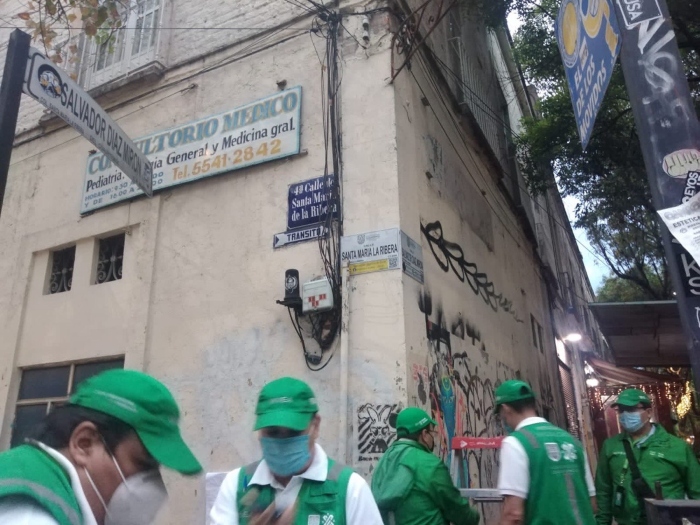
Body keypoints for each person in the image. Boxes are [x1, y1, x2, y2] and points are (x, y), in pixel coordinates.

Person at [0, 369, 202, 525]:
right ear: (84, 443)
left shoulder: (40, 484)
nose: (154, 484)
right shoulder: (29, 516)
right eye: (142, 464)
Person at [209, 376, 383, 525]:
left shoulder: (350, 489)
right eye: (273, 432)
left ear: (315, 426)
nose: (282, 442)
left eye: (293, 432)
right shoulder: (237, 485)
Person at [495, 379, 596, 525]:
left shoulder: (515, 443)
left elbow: (513, 514)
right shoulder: (573, 442)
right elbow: (592, 503)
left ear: (505, 409)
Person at [595, 388, 700, 525]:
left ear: (649, 412)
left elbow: (697, 490)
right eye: (621, 410)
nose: (625, 415)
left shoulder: (676, 447)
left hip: (669, 521)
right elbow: (604, 490)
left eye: (631, 409)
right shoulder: (611, 446)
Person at [371, 406, 480, 525]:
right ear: (424, 434)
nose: (433, 438)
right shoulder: (430, 464)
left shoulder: (383, 462)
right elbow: (457, 510)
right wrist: (474, 517)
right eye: (432, 432)